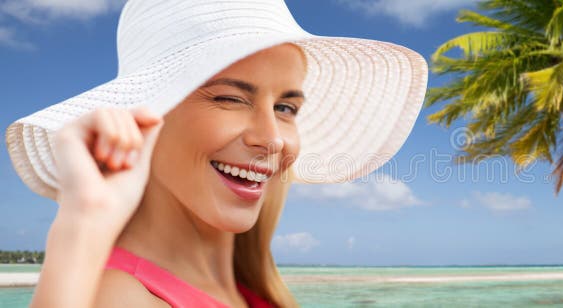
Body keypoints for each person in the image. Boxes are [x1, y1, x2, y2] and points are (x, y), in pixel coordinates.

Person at [4, 1, 428, 307]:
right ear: (147, 116)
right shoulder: (119, 296)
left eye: (285, 108)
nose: (273, 139)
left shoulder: (248, 289)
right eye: (229, 98)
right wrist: (83, 222)